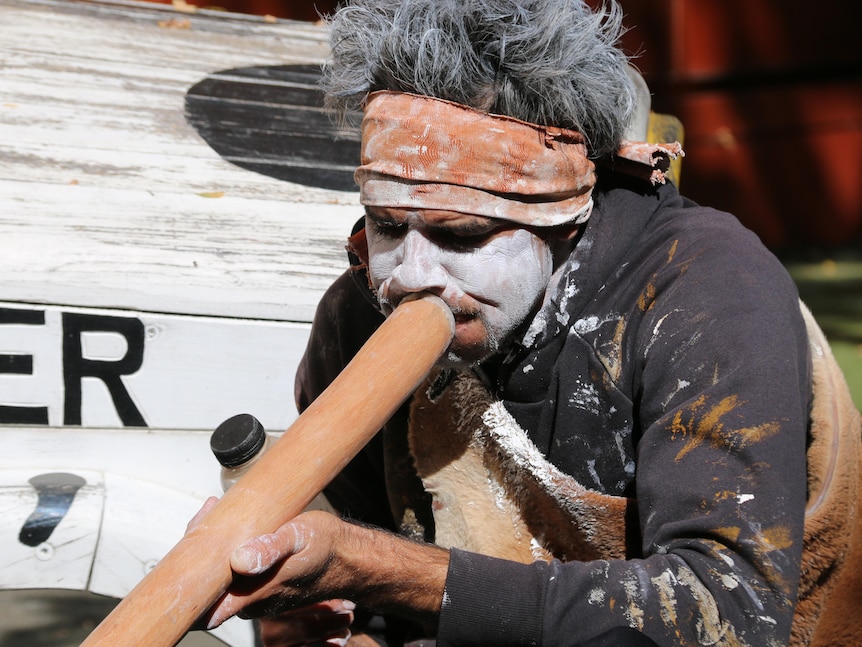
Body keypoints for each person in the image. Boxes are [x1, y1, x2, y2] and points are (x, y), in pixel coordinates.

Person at [195, 0, 862, 645]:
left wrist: (371, 566)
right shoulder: (357, 317)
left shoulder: (711, 296)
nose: (410, 273)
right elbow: (367, 596)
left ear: (565, 221)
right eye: (389, 225)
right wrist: (321, 610)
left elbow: (730, 615)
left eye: (460, 234)